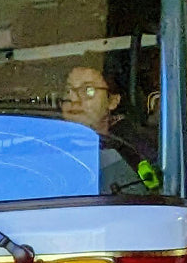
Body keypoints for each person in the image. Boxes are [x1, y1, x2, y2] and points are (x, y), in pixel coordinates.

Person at [60, 63, 161, 194]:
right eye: (68, 91)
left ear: (113, 101)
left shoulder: (136, 152)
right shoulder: (42, 147)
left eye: (88, 90)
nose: (72, 99)